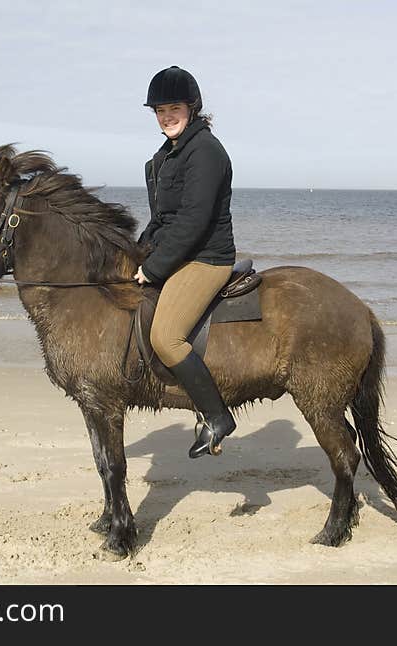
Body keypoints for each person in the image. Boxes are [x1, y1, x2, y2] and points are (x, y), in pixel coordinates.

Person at [134, 65, 237, 459]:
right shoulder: (166, 156)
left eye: (173, 107)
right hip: (178, 251)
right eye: (159, 110)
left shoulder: (206, 152)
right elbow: (162, 220)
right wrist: (139, 252)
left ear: (191, 107)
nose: (166, 116)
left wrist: (154, 268)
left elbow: (194, 221)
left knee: (166, 337)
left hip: (206, 258)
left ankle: (216, 418)